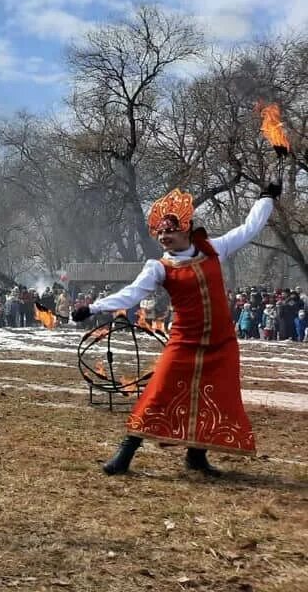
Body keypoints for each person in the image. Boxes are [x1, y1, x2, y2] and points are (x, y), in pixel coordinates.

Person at [73, 184, 278, 476]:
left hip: (221, 342)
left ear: (187, 229)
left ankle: (196, 457)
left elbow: (249, 227)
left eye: (169, 231)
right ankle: (125, 452)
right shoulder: (158, 267)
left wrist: (266, 198)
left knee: (216, 396)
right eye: (159, 233)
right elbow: (131, 294)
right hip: (185, 340)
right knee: (158, 391)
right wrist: (93, 308)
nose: (164, 237)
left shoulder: (213, 249)